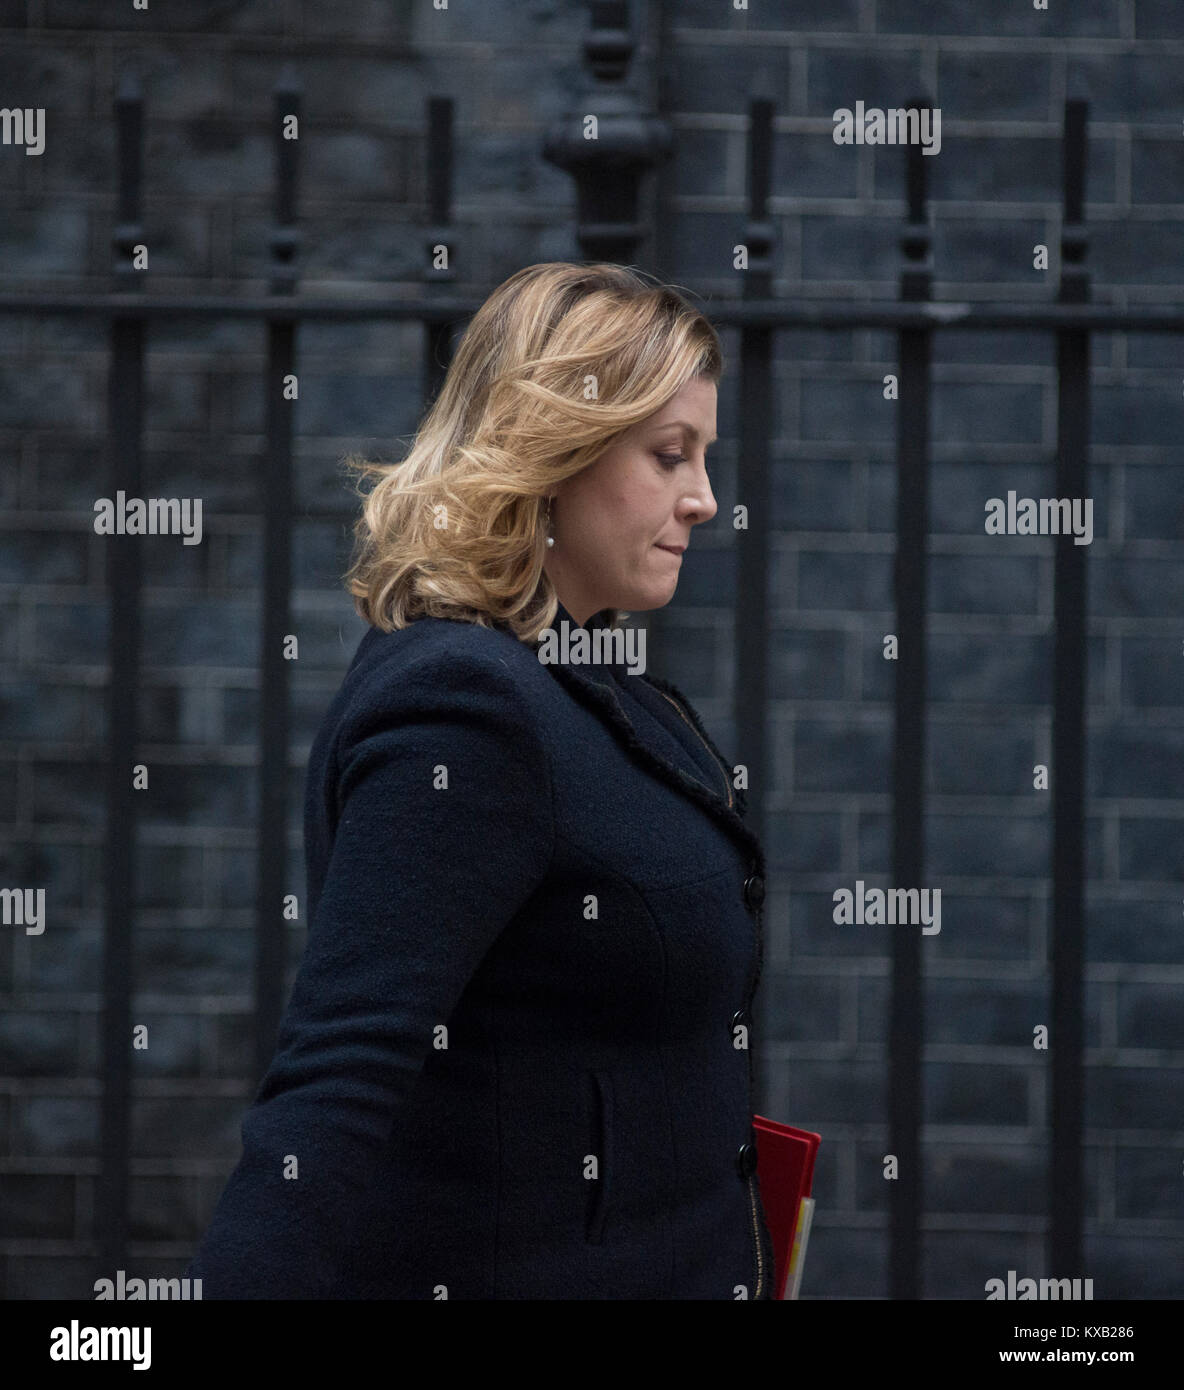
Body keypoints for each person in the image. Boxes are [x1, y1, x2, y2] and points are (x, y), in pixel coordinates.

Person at [184, 261, 775, 1299]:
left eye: (704, 457)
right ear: (554, 452)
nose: (704, 498)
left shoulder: (586, 681)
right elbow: (340, 1071)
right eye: (669, 454)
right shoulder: (465, 704)